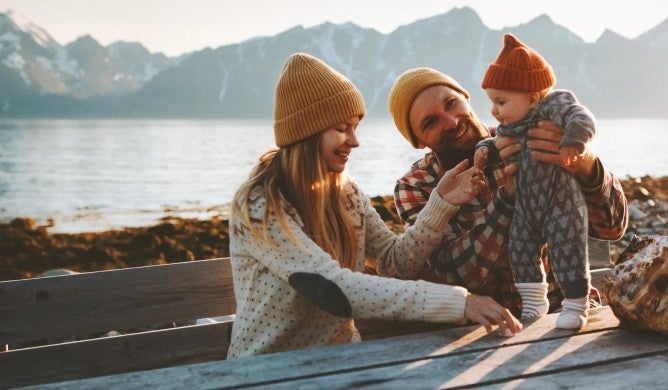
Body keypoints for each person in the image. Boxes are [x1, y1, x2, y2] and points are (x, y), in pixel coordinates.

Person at [227, 53, 521, 358]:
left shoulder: (345, 192)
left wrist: (441, 203)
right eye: (342, 128)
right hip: (266, 370)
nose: (354, 141)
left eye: (355, 127)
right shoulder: (259, 204)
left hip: (344, 362)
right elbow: (331, 286)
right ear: (307, 132)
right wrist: (461, 301)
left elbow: (395, 262)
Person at [388, 50, 628, 323]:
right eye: (431, 122)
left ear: (467, 98)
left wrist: (585, 165)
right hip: (487, 328)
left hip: (570, 310)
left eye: (451, 103)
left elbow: (613, 228)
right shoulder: (416, 186)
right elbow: (453, 273)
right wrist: (506, 201)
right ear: (418, 141)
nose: (452, 122)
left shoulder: (537, 133)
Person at [473, 33, 595, 329]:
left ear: (532, 97)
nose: (494, 110)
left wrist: (574, 142)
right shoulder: (510, 127)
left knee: (568, 248)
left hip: (560, 202)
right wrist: (483, 150)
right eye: (492, 102)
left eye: (501, 101)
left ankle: (577, 305)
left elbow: (582, 117)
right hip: (527, 208)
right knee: (521, 248)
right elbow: (494, 142)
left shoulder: (552, 107)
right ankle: (533, 302)